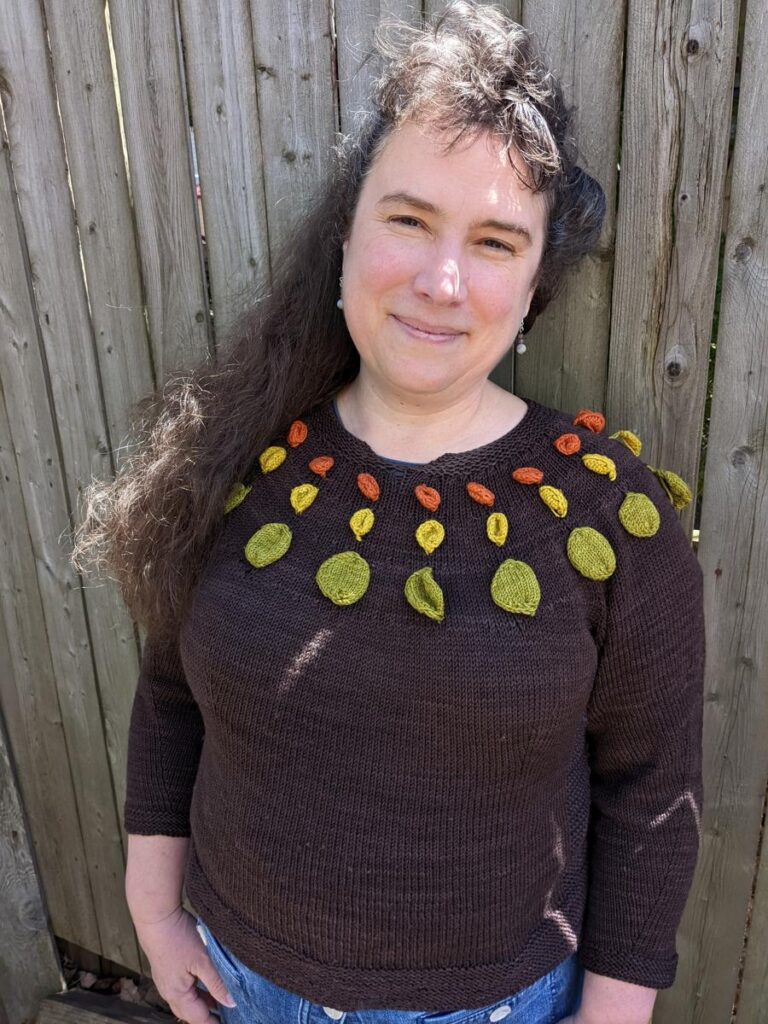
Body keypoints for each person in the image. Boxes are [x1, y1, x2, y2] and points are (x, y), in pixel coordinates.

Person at [73, 3, 706, 1023]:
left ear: (535, 281)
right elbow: (171, 687)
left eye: (495, 242)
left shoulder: (613, 521)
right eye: (408, 220)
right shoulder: (235, 465)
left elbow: (653, 791)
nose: (441, 281)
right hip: (236, 983)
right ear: (349, 231)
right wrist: (153, 910)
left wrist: (614, 1014)